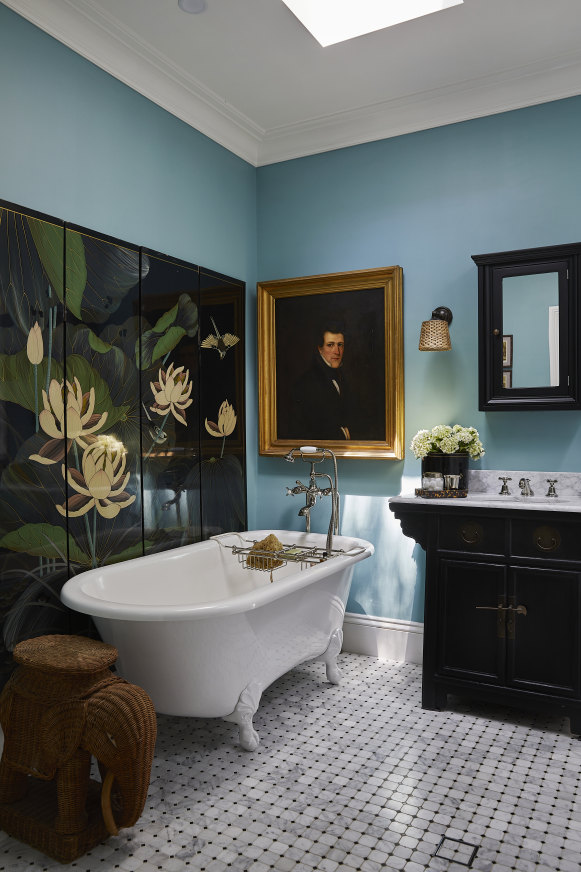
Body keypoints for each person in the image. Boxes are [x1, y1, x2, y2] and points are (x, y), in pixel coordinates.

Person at [288, 320, 356, 440]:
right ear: (320, 349)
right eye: (330, 345)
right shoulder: (307, 383)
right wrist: (344, 434)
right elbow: (313, 430)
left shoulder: (343, 378)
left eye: (340, 345)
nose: (337, 351)